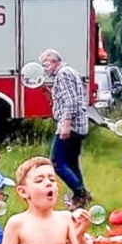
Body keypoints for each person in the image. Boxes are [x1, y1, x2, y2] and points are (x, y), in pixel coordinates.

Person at [39, 49, 91, 209]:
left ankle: (80, 192)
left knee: (57, 161)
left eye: (46, 65)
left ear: (55, 62)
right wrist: (44, 90)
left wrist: (66, 124)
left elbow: (71, 102)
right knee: (71, 163)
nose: (45, 69)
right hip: (77, 125)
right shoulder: (64, 74)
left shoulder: (63, 74)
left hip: (71, 126)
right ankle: (80, 199)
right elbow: (59, 101)